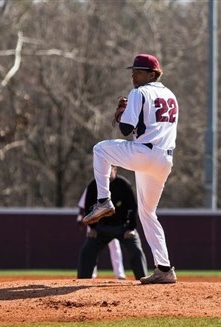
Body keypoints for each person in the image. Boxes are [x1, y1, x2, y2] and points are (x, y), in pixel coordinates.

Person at [82, 53, 178, 284]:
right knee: (147, 213)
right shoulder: (170, 95)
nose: (133, 75)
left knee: (100, 149)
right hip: (164, 160)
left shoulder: (140, 92)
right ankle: (164, 268)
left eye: (138, 71)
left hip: (144, 152)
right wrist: (131, 111)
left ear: (152, 74)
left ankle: (104, 200)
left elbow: (125, 129)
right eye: (133, 71)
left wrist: (123, 112)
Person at [77, 166, 148, 280]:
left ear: (115, 170)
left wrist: (131, 228)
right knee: (86, 252)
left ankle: (143, 279)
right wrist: (93, 228)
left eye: (109, 170)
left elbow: (133, 208)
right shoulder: (94, 185)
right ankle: (81, 280)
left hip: (123, 227)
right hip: (101, 229)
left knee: (136, 250)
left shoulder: (123, 184)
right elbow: (88, 208)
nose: (106, 173)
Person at [76, 181, 127, 280]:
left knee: (115, 247)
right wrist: (79, 219)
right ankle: (92, 273)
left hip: (111, 223)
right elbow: (82, 206)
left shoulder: (113, 187)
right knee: (92, 249)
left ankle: (119, 274)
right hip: (94, 223)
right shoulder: (92, 186)